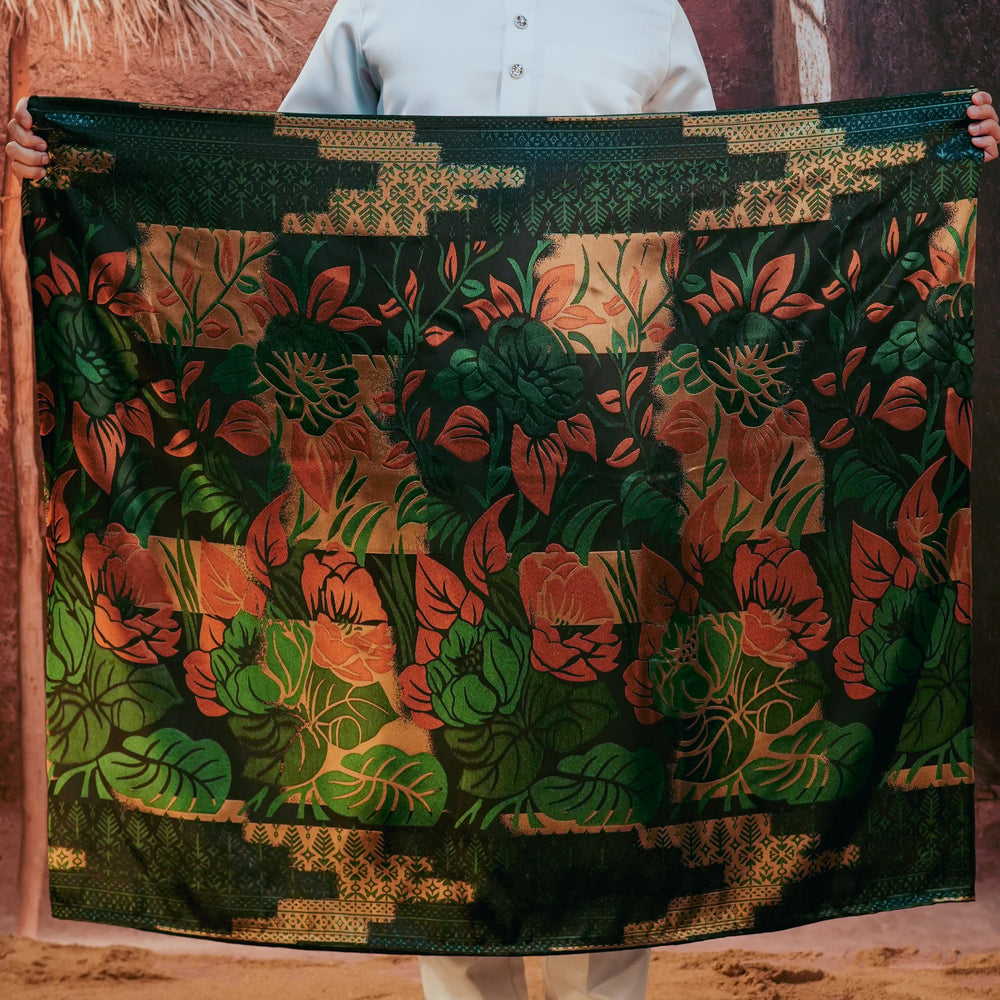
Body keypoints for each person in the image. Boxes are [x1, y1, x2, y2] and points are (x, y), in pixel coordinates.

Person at [5, 4, 999, 999]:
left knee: (616, 769)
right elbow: (282, 188)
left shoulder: (646, 16)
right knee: (443, 771)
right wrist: (77, 164)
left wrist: (938, 153)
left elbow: (721, 203)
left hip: (612, 458)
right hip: (419, 460)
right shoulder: (380, 7)